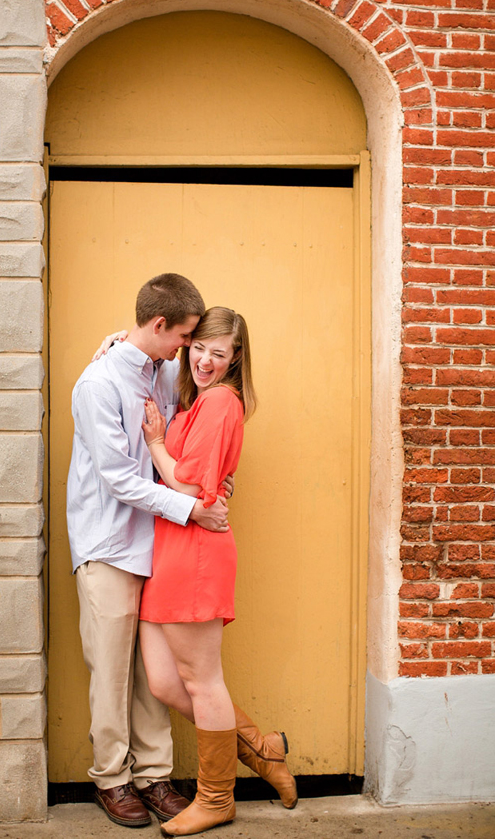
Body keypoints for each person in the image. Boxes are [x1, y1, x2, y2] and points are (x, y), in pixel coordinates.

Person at [66, 274, 233, 829]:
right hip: (110, 543)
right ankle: (112, 779)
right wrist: (192, 508)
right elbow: (118, 479)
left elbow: (183, 438)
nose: (189, 350)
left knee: (152, 677)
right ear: (161, 327)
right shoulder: (98, 384)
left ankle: (155, 776)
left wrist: (208, 488)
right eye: (185, 337)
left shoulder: (162, 369)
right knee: (111, 670)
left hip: (158, 546)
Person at [138, 306, 297, 837]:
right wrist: (120, 338)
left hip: (197, 551)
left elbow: (185, 486)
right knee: (164, 682)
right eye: (199, 346)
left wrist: (156, 444)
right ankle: (261, 750)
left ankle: (216, 799)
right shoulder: (196, 399)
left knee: (202, 682)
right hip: (170, 547)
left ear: (235, 359)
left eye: (218, 352)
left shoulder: (222, 402)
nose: (205, 359)